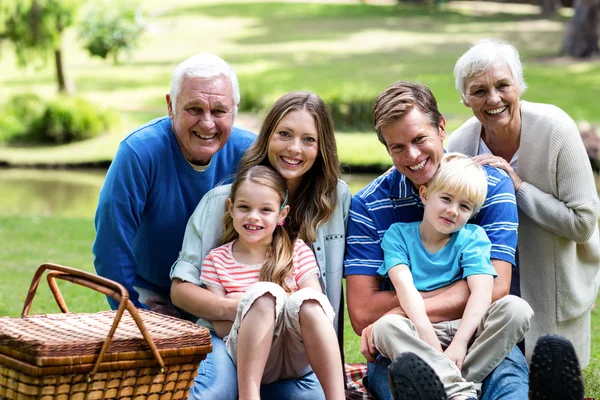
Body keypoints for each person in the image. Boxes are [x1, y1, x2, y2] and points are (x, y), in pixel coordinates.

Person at [344, 81, 531, 400]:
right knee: (403, 380)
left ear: (441, 127)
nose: (413, 156)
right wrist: (410, 316)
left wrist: (396, 311)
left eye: (419, 139)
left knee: (507, 381)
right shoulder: (369, 206)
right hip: (405, 343)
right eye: (397, 147)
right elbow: (363, 315)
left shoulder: (488, 186)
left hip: (477, 334)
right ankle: (461, 392)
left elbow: (497, 287)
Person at [170, 91, 351, 399]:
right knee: (215, 391)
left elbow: (322, 303)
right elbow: (181, 289)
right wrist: (248, 308)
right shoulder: (219, 202)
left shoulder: (336, 199)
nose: (295, 148)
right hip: (229, 336)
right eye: (284, 134)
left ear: (322, 148)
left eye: (309, 139)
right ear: (267, 136)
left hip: (297, 346)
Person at [448, 39, 600, 366]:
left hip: (553, 282)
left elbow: (584, 224)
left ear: (519, 86)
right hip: (489, 283)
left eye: (503, 85)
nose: (493, 99)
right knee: (498, 375)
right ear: (464, 98)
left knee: (549, 378)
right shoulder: (460, 144)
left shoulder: (556, 130)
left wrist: (517, 187)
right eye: (478, 91)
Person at [92, 53, 256, 313]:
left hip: (226, 291)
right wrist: (135, 310)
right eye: (194, 109)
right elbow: (111, 246)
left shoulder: (251, 153)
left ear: (234, 110)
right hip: (153, 291)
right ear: (170, 106)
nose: (207, 123)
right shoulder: (139, 152)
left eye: (219, 111)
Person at [372, 153, 532, 400]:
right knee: (385, 327)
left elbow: (481, 292)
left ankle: (452, 387)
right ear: (424, 195)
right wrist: (425, 333)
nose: (453, 211)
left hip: (467, 328)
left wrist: (460, 342)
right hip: (418, 330)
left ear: (472, 213)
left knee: (517, 308)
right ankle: (463, 391)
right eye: (446, 199)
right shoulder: (398, 235)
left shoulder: (472, 237)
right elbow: (405, 289)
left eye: (464, 206)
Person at [201, 165, 345, 400]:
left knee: (305, 301)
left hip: (297, 352)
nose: (253, 217)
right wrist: (258, 305)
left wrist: (249, 305)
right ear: (231, 208)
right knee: (263, 293)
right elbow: (221, 327)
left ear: (281, 214)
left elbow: (317, 308)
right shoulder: (217, 260)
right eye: (244, 207)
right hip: (249, 359)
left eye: (266, 209)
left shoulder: (296, 250)